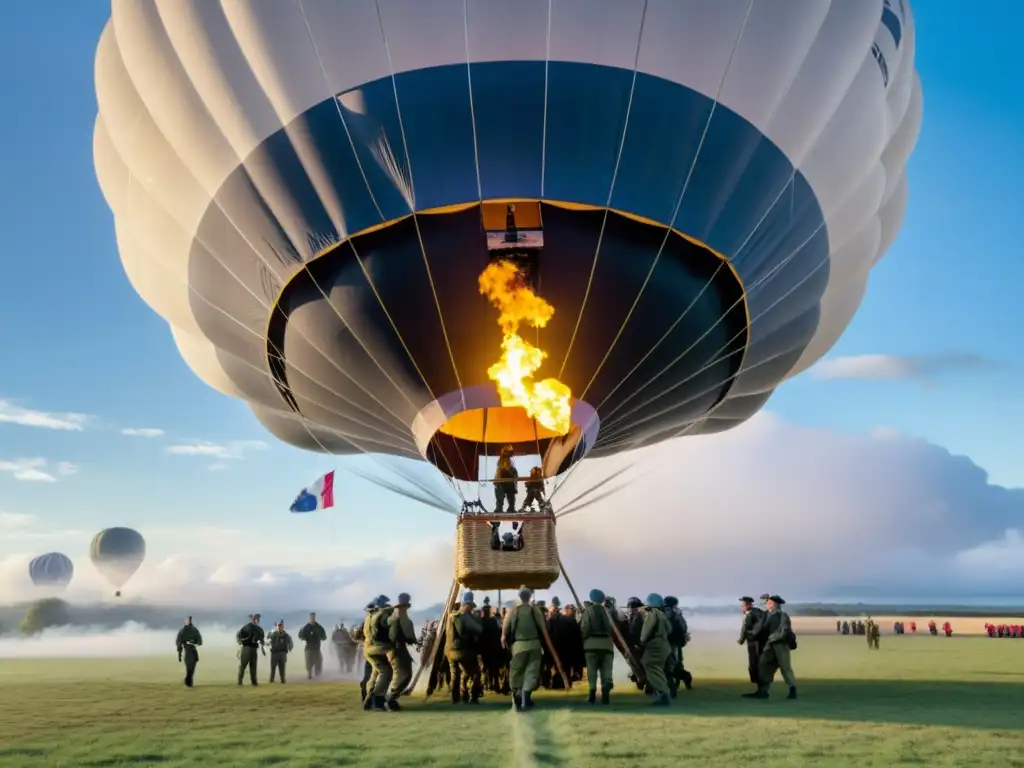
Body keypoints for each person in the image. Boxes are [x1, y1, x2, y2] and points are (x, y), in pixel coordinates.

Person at [503, 585, 547, 711]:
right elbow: (543, 628)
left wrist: (503, 637)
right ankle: (526, 696)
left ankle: (517, 693)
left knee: (516, 671)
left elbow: (505, 627)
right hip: (534, 645)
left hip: (518, 646)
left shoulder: (513, 610)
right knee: (531, 671)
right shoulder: (535, 610)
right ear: (529, 597)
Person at [744, 595, 797, 700]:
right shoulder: (765, 615)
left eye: (770, 603)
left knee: (785, 668)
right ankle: (763, 691)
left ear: (776, 604)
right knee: (763, 666)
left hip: (780, 644)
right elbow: (760, 627)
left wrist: (773, 638)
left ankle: (792, 689)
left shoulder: (783, 616)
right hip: (769, 645)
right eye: (768, 603)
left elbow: (784, 631)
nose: (768, 605)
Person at [446, 591, 483, 704]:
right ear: (468, 605)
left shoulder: (451, 616)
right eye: (471, 606)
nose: (472, 608)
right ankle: (472, 696)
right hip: (462, 650)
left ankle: (455, 698)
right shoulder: (464, 617)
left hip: (450, 651)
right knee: (475, 673)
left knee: (454, 675)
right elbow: (479, 629)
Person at [579, 588, 614, 704]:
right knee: (606, 670)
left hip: (591, 644)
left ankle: (592, 693)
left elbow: (585, 628)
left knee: (592, 671)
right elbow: (611, 628)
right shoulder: (607, 611)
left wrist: (584, 639)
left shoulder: (588, 611)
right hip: (607, 645)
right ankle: (606, 689)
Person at [638, 594, 671, 706]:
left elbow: (646, 630)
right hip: (664, 644)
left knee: (649, 665)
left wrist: (641, 642)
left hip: (655, 645)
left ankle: (663, 694)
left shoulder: (652, 614)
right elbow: (669, 629)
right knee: (657, 669)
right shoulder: (662, 615)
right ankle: (664, 693)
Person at [363, 595, 394, 711]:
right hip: (377, 649)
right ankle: (377, 700)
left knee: (375, 673)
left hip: (369, 649)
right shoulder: (382, 616)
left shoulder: (370, 616)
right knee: (386, 672)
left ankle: (369, 696)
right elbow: (388, 624)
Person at [386, 593, 416, 711]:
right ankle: (389, 699)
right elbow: (394, 636)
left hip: (397, 649)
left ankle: (391, 699)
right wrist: (408, 638)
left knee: (404, 674)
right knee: (403, 674)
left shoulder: (395, 616)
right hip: (397, 649)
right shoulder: (398, 618)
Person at [737, 597, 765, 685]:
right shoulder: (749, 613)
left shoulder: (756, 613)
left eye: (744, 605)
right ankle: (755, 680)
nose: (742, 606)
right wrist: (742, 639)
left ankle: (760, 681)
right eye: (742, 605)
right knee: (753, 661)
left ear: (749, 604)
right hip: (751, 641)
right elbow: (744, 628)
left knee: (757, 661)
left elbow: (760, 625)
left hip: (757, 641)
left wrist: (752, 633)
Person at [236, 613, 266, 687]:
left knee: (253, 666)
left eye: (258, 619)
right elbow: (239, 635)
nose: (257, 620)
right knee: (243, 665)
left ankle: (254, 682)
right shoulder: (246, 627)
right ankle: (240, 681)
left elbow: (261, 639)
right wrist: (239, 641)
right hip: (246, 647)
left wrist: (263, 648)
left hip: (254, 649)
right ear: (253, 619)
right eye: (256, 619)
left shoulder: (259, 630)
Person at [298, 612, 328, 680]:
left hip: (317, 647)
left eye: (313, 617)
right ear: (310, 618)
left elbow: (324, 636)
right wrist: (303, 638)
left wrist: (321, 637)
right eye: (311, 617)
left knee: (318, 661)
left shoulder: (319, 627)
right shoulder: (306, 627)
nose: (312, 618)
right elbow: (300, 635)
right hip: (308, 647)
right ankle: (309, 673)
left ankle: (317, 675)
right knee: (308, 661)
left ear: (315, 618)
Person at [175, 616, 203, 688]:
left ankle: (188, 682)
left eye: (189, 620)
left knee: (192, 668)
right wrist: (179, 653)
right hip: (187, 651)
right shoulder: (183, 631)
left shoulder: (194, 630)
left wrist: (193, 642)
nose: (188, 621)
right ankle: (188, 683)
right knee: (189, 668)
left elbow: (200, 641)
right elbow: (178, 642)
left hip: (193, 651)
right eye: (187, 620)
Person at [494, 445, 518, 513]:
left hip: (509, 480)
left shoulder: (509, 461)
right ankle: (499, 508)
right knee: (500, 496)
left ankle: (511, 508)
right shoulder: (502, 460)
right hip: (501, 479)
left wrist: (513, 472)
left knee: (511, 496)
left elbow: (509, 467)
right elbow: (502, 467)